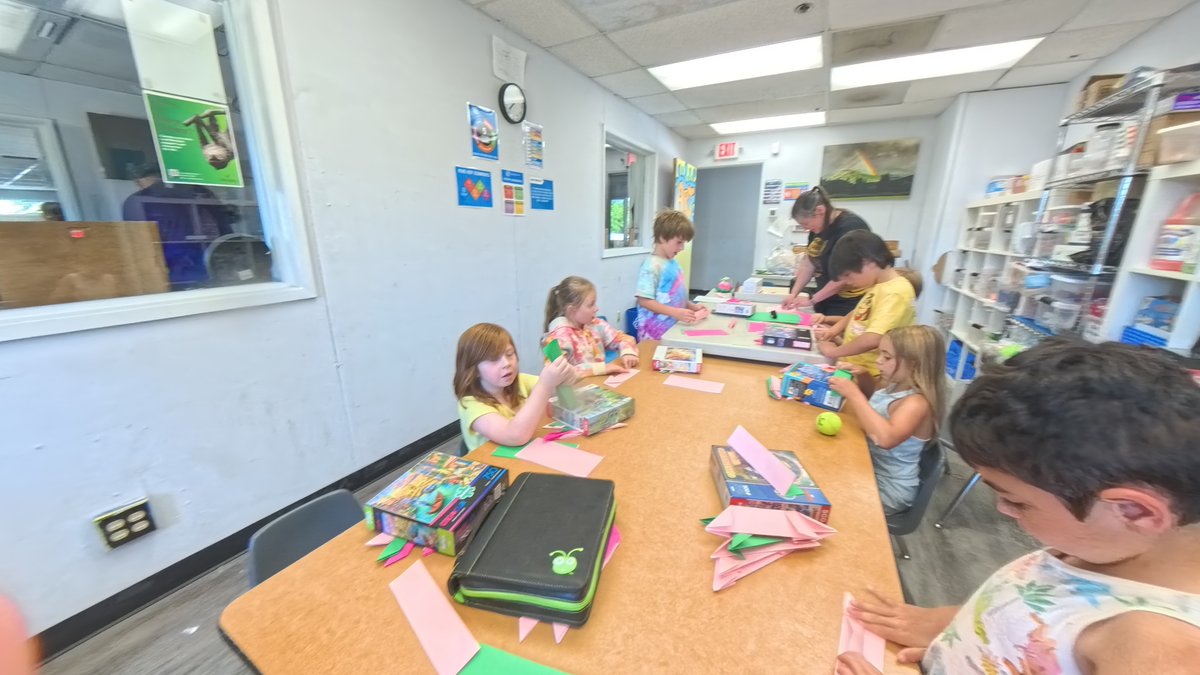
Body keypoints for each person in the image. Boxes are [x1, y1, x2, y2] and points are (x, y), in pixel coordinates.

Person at [834, 339, 1200, 675]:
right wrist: (958, 631)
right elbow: (1034, 609)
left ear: (1134, 512)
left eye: (1016, 500)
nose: (1004, 510)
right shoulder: (1100, 543)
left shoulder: (1158, 647)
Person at [828, 325, 944, 515]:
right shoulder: (894, 385)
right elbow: (877, 407)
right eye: (880, 354)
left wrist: (854, 395)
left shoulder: (917, 403)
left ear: (914, 364)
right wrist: (864, 376)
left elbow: (885, 438)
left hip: (888, 488)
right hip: (868, 469)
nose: (879, 361)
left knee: (824, 491)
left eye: (887, 357)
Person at [813, 231, 916, 394]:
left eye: (848, 275)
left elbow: (873, 339)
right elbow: (858, 312)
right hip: (854, 369)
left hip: (873, 378)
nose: (847, 282)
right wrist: (834, 330)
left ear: (869, 262)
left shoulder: (896, 292)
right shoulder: (879, 286)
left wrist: (834, 351)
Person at [453, 323, 576, 452]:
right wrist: (545, 385)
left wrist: (566, 377)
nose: (506, 363)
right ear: (474, 369)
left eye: (510, 354)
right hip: (496, 467)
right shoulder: (470, 404)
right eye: (494, 359)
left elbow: (564, 398)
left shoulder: (520, 381)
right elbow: (515, 436)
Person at [121, 163, 238, 289]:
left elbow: (140, 246)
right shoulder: (199, 191)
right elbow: (224, 229)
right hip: (208, 267)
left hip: (176, 273)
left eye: (138, 182)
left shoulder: (139, 200)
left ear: (147, 178)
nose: (138, 186)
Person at [782, 186, 871, 315]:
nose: (806, 229)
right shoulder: (818, 228)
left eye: (806, 224)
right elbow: (809, 263)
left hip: (848, 302)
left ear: (820, 210)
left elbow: (844, 276)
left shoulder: (850, 227)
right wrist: (793, 294)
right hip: (825, 297)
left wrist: (812, 300)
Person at [543, 275, 638, 378]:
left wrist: (628, 352)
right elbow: (556, 374)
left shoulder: (595, 324)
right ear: (572, 310)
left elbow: (623, 338)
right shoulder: (553, 339)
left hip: (599, 384)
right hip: (574, 391)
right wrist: (602, 368)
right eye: (591, 305)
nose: (596, 308)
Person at [634, 209, 708, 341]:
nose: (682, 248)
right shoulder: (651, 266)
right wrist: (676, 313)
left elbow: (675, 296)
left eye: (684, 243)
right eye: (679, 242)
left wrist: (690, 306)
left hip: (672, 330)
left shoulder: (673, 263)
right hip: (654, 335)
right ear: (662, 237)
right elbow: (644, 301)